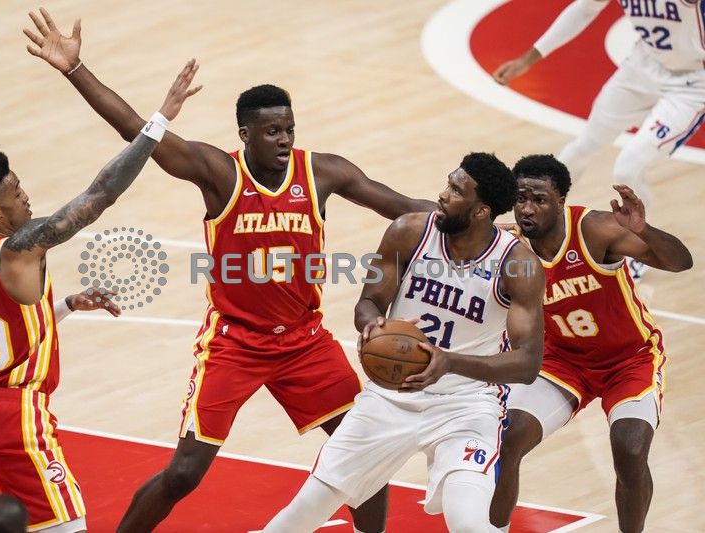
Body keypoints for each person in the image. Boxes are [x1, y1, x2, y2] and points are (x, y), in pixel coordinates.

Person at [22, 8, 436, 532]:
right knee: (184, 474)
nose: (284, 140)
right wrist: (75, 70)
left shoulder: (322, 172)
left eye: (289, 129)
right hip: (235, 344)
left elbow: (404, 207)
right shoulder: (219, 173)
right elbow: (136, 130)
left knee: (363, 457)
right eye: (272, 131)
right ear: (245, 134)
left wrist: (479, 225)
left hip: (305, 342)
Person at [0, 66, 195, 532]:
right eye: (16, 192)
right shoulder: (19, 249)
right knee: (68, 524)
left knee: (26, 523)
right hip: (16, 415)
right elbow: (101, 193)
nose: (26, 197)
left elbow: (7, 330)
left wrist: (63, 306)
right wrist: (159, 121)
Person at [263, 153, 545, 533]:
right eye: (448, 183)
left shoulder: (518, 266)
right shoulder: (409, 231)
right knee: (305, 510)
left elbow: (527, 363)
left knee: (468, 523)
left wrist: (448, 362)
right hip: (388, 397)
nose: (442, 194)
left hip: (466, 406)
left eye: (456, 191)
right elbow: (368, 303)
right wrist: (373, 325)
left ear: (481, 211)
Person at [489, 154, 692, 533]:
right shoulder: (509, 247)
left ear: (561, 201)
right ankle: (491, 529)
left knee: (630, 449)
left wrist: (644, 230)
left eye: (539, 199)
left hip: (629, 361)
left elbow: (681, 262)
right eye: (520, 198)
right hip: (562, 362)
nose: (527, 208)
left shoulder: (595, 230)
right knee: (509, 437)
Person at [493, 0, 705, 279]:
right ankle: (534, 236)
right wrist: (528, 59)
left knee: (628, 167)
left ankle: (641, 252)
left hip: (692, 84)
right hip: (642, 67)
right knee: (581, 148)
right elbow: (584, 8)